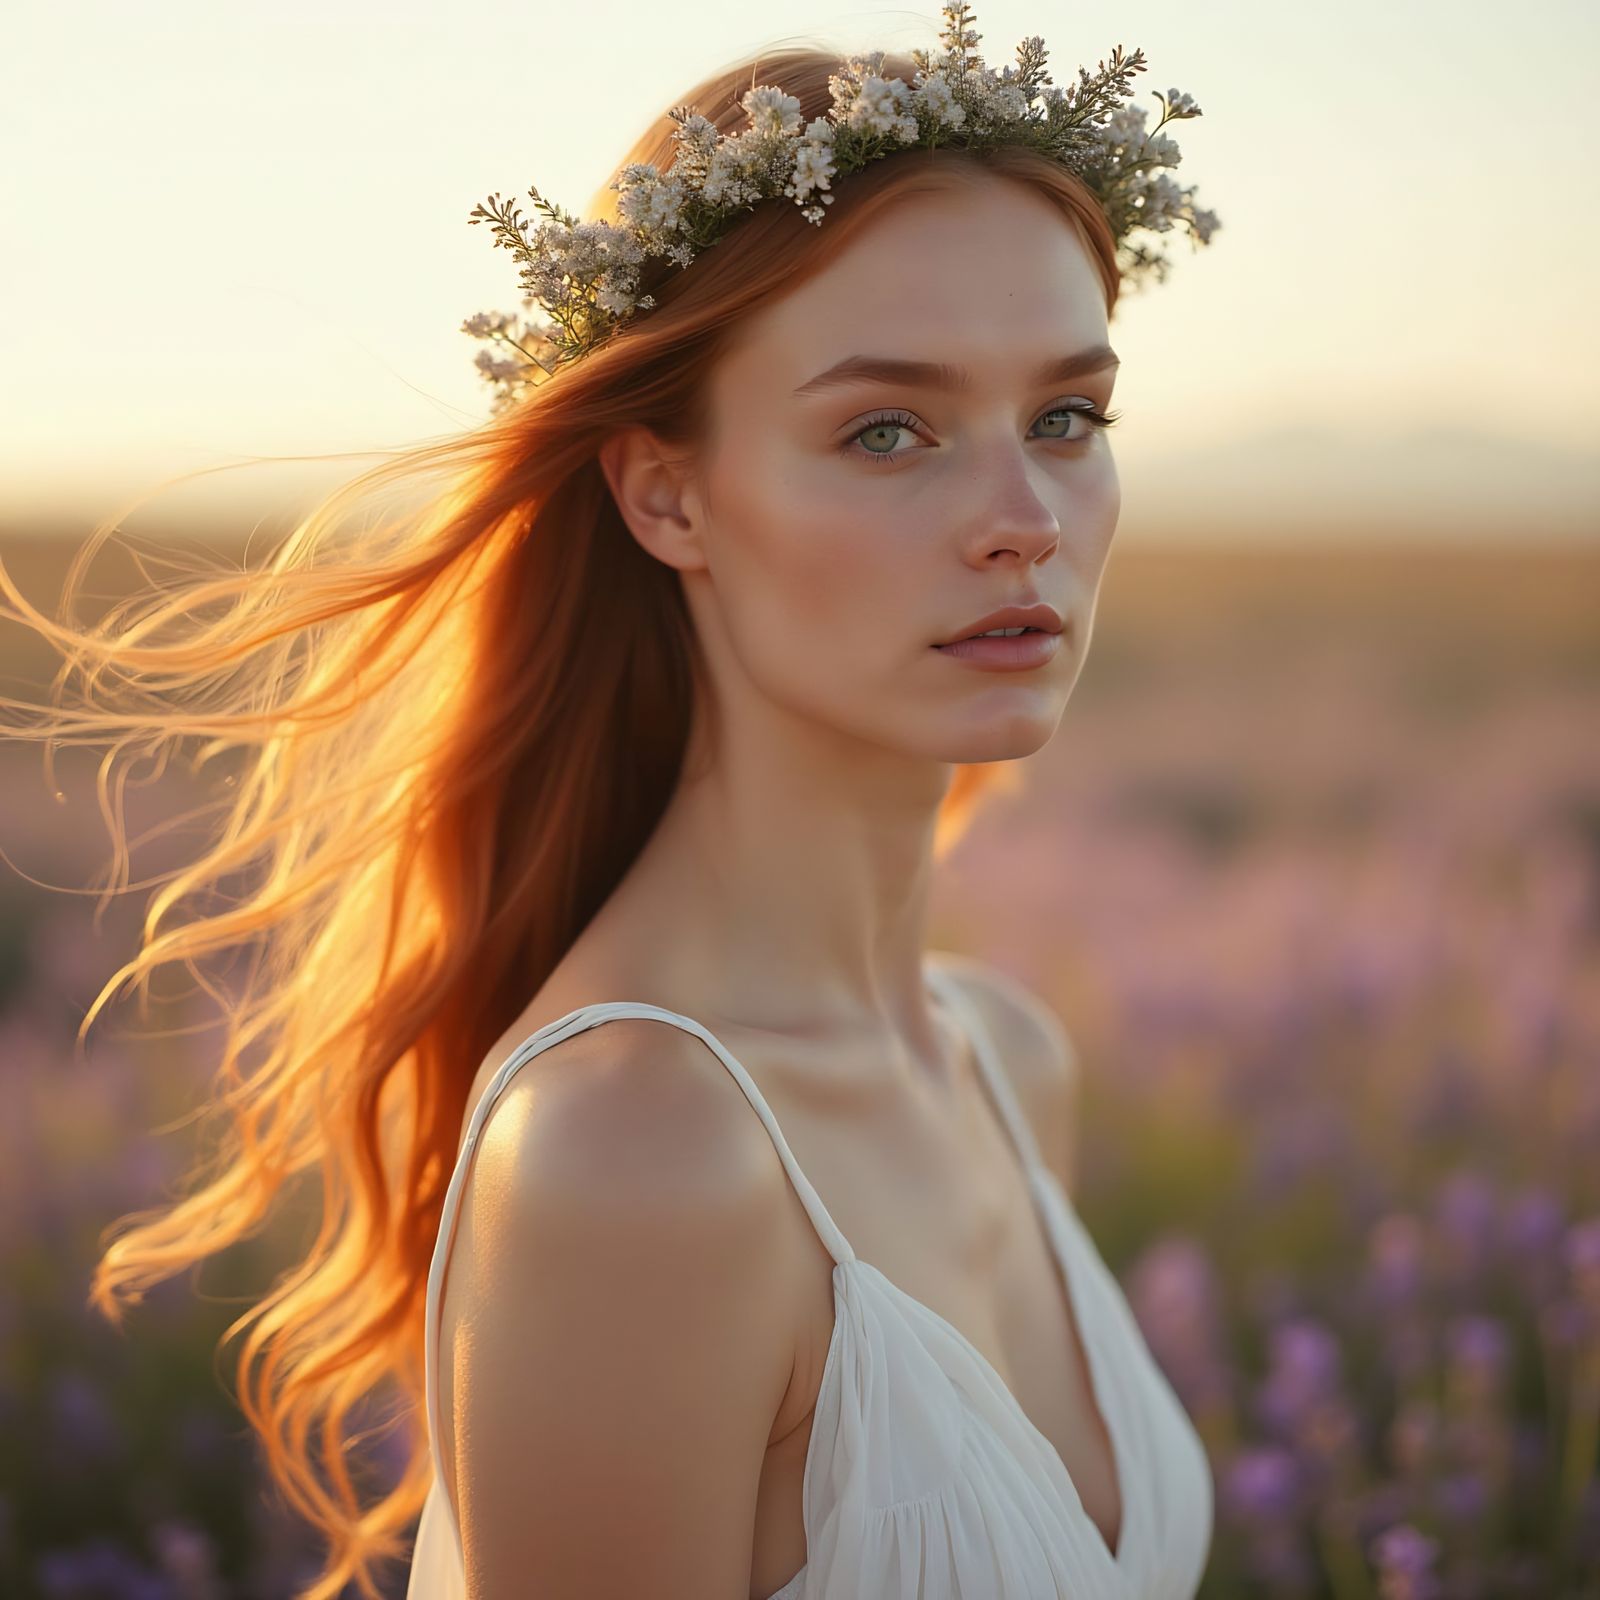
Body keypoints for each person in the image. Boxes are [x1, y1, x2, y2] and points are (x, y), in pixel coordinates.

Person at [0, 8, 1219, 1597]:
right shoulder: (635, 1153)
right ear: (667, 492)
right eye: (887, 430)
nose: (1022, 518)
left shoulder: (1004, 1057)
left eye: (1068, 416)